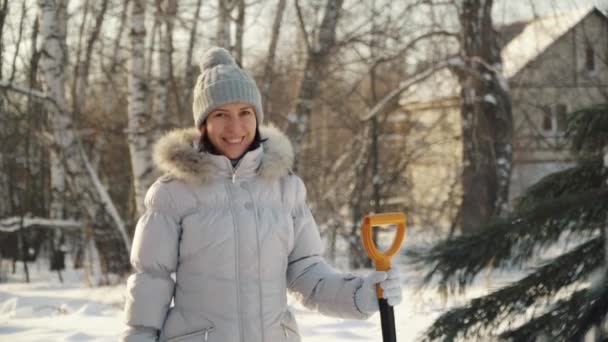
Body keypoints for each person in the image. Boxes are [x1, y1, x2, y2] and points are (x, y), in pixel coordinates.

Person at [121, 47, 402, 342]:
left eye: (245, 112)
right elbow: (151, 282)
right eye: (221, 114)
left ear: (257, 117)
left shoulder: (286, 190)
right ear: (203, 123)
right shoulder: (172, 194)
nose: (235, 127)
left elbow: (307, 273)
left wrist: (361, 294)